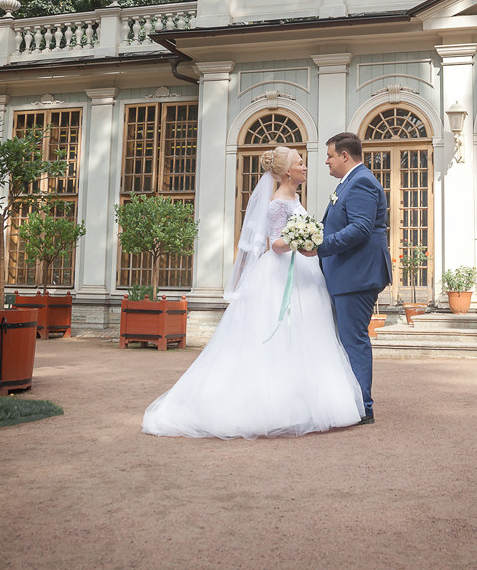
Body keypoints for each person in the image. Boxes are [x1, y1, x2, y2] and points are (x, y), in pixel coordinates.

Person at [141, 146, 364, 439]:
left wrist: (307, 237)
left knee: (307, 333)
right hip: (280, 271)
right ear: (288, 172)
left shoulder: (295, 198)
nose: (305, 167)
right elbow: (275, 243)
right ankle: (272, 405)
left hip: (304, 271)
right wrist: (300, 238)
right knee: (278, 333)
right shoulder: (276, 204)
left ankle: (302, 401)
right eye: (300, 163)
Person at [304, 132, 392, 425]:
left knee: (353, 340)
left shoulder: (361, 181)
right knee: (347, 339)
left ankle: (363, 407)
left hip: (356, 275)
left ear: (344, 156)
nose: (326, 162)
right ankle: (352, 402)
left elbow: (361, 228)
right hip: (347, 274)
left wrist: (321, 246)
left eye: (329, 156)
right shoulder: (349, 183)